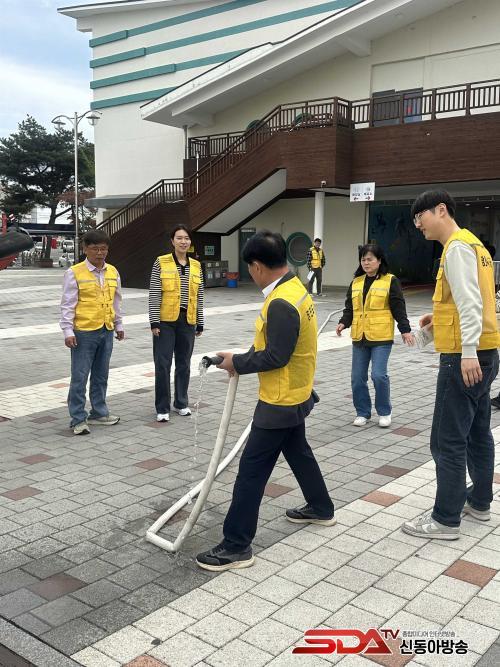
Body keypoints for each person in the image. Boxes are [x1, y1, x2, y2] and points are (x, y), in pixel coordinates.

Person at [196, 230, 335, 572]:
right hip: (296, 392)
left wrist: (239, 362)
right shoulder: (295, 289)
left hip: (280, 400)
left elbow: (276, 356)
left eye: (250, 268)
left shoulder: (281, 302)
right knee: (299, 453)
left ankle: (236, 546)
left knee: (251, 473)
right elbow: (275, 347)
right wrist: (238, 358)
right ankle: (321, 507)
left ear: (257, 266)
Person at [402, 190, 499, 540]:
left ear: (441, 210)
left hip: (464, 358)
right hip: (487, 352)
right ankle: (480, 502)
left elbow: (470, 303)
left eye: (421, 217)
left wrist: (467, 351)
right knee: (477, 433)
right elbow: (472, 300)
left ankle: (445, 519)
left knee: (446, 441)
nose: (419, 225)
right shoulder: (475, 245)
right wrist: (439, 320)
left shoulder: (456, 247)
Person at [336, 244, 414, 428]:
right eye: (363, 259)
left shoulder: (390, 280)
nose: (366, 262)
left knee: (378, 375)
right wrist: (343, 322)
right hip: (360, 337)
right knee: (357, 378)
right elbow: (350, 309)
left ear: (379, 261)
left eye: (370, 259)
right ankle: (362, 412)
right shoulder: (356, 282)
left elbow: (398, 307)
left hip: (381, 337)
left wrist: (405, 330)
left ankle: (384, 412)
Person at [60, 230, 124, 436]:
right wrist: (67, 331)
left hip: (106, 329)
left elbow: (116, 300)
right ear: (85, 249)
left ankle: (99, 412)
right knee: (79, 376)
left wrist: (119, 324)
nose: (100, 253)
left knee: (101, 374)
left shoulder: (113, 271)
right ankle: (78, 418)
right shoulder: (74, 272)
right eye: (95, 249)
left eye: (103, 249)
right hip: (83, 332)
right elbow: (68, 304)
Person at [149, 224, 204, 422]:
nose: (183, 241)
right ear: (172, 241)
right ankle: (162, 408)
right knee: (162, 364)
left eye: (186, 238)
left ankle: (181, 403)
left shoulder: (196, 265)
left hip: (187, 321)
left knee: (184, 364)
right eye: (179, 238)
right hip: (165, 321)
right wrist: (154, 322)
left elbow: (199, 295)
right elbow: (155, 293)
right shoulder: (161, 262)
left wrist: (200, 322)